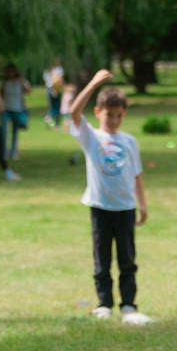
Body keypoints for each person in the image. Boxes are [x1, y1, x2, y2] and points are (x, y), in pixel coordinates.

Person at [69, 69, 151, 324]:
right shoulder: (91, 137)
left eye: (118, 116)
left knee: (127, 260)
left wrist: (143, 204)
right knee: (102, 258)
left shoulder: (129, 141)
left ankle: (128, 304)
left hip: (125, 208)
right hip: (100, 207)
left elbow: (136, 173)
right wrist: (93, 83)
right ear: (98, 113)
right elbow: (73, 112)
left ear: (124, 114)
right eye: (108, 115)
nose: (113, 120)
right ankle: (104, 303)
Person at [0, 63, 32, 161]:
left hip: (17, 108)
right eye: (8, 71)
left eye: (11, 71)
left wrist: (22, 81)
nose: (10, 73)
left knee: (15, 131)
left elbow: (29, 91)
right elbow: (0, 94)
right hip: (6, 109)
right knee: (4, 131)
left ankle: (13, 152)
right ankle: (4, 152)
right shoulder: (4, 82)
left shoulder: (20, 81)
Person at [43, 60, 65, 127]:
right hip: (56, 88)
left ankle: (49, 118)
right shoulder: (59, 69)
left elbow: (46, 82)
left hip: (49, 89)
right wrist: (63, 88)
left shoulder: (46, 71)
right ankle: (56, 123)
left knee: (53, 106)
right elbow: (60, 80)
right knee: (57, 106)